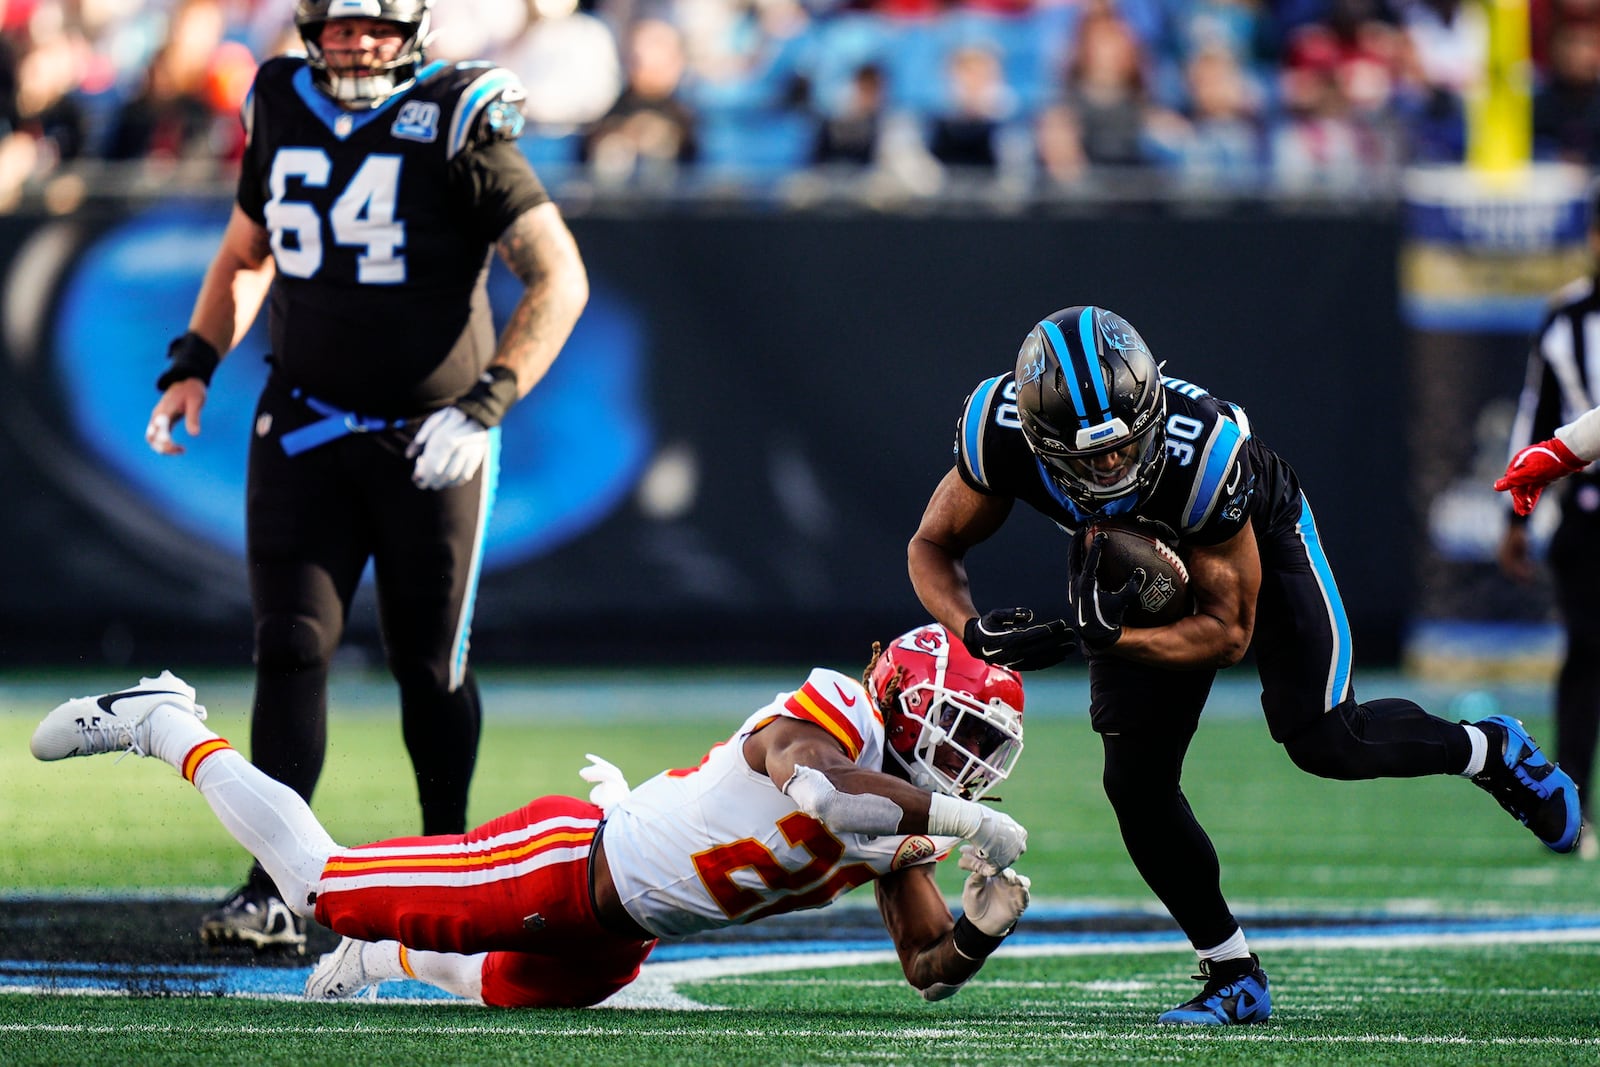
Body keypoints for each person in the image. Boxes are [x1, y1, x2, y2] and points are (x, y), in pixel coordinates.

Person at [908, 304, 1582, 1026]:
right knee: (1134, 782)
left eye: (1123, 446)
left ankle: (1492, 748)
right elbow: (932, 545)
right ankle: (1232, 972)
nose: (1113, 464)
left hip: (1249, 532)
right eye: (1090, 457)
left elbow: (1229, 633)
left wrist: (1104, 641)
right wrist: (972, 629)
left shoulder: (1206, 458)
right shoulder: (998, 430)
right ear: (1042, 441)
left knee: (1326, 737)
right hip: (1133, 558)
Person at [142, 0, 589, 954]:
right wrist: (194, 361)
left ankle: (449, 865)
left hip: (434, 435)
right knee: (291, 643)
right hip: (302, 422)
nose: (354, 43)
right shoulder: (279, 98)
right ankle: (273, 884)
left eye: (374, 26)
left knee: (427, 667)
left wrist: (488, 401)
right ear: (310, 27)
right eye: (339, 25)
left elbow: (559, 274)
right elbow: (245, 251)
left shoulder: (458, 116)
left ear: (412, 29)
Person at [29, 623, 1032, 1007]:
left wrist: (980, 929)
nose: (970, 761)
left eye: (979, 748)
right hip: (563, 860)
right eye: (961, 730)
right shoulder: (839, 715)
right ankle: (165, 722)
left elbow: (926, 972)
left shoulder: (904, 827)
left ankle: (377, 962)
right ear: (901, 695)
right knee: (320, 885)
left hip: (621, 932)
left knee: (506, 988)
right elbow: (818, 786)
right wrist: (960, 819)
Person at [1495, 206, 1600, 856]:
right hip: (1589, 511)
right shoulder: (1567, 320)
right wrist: (1535, 477)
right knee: (1586, 652)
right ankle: (1574, 807)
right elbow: (1539, 409)